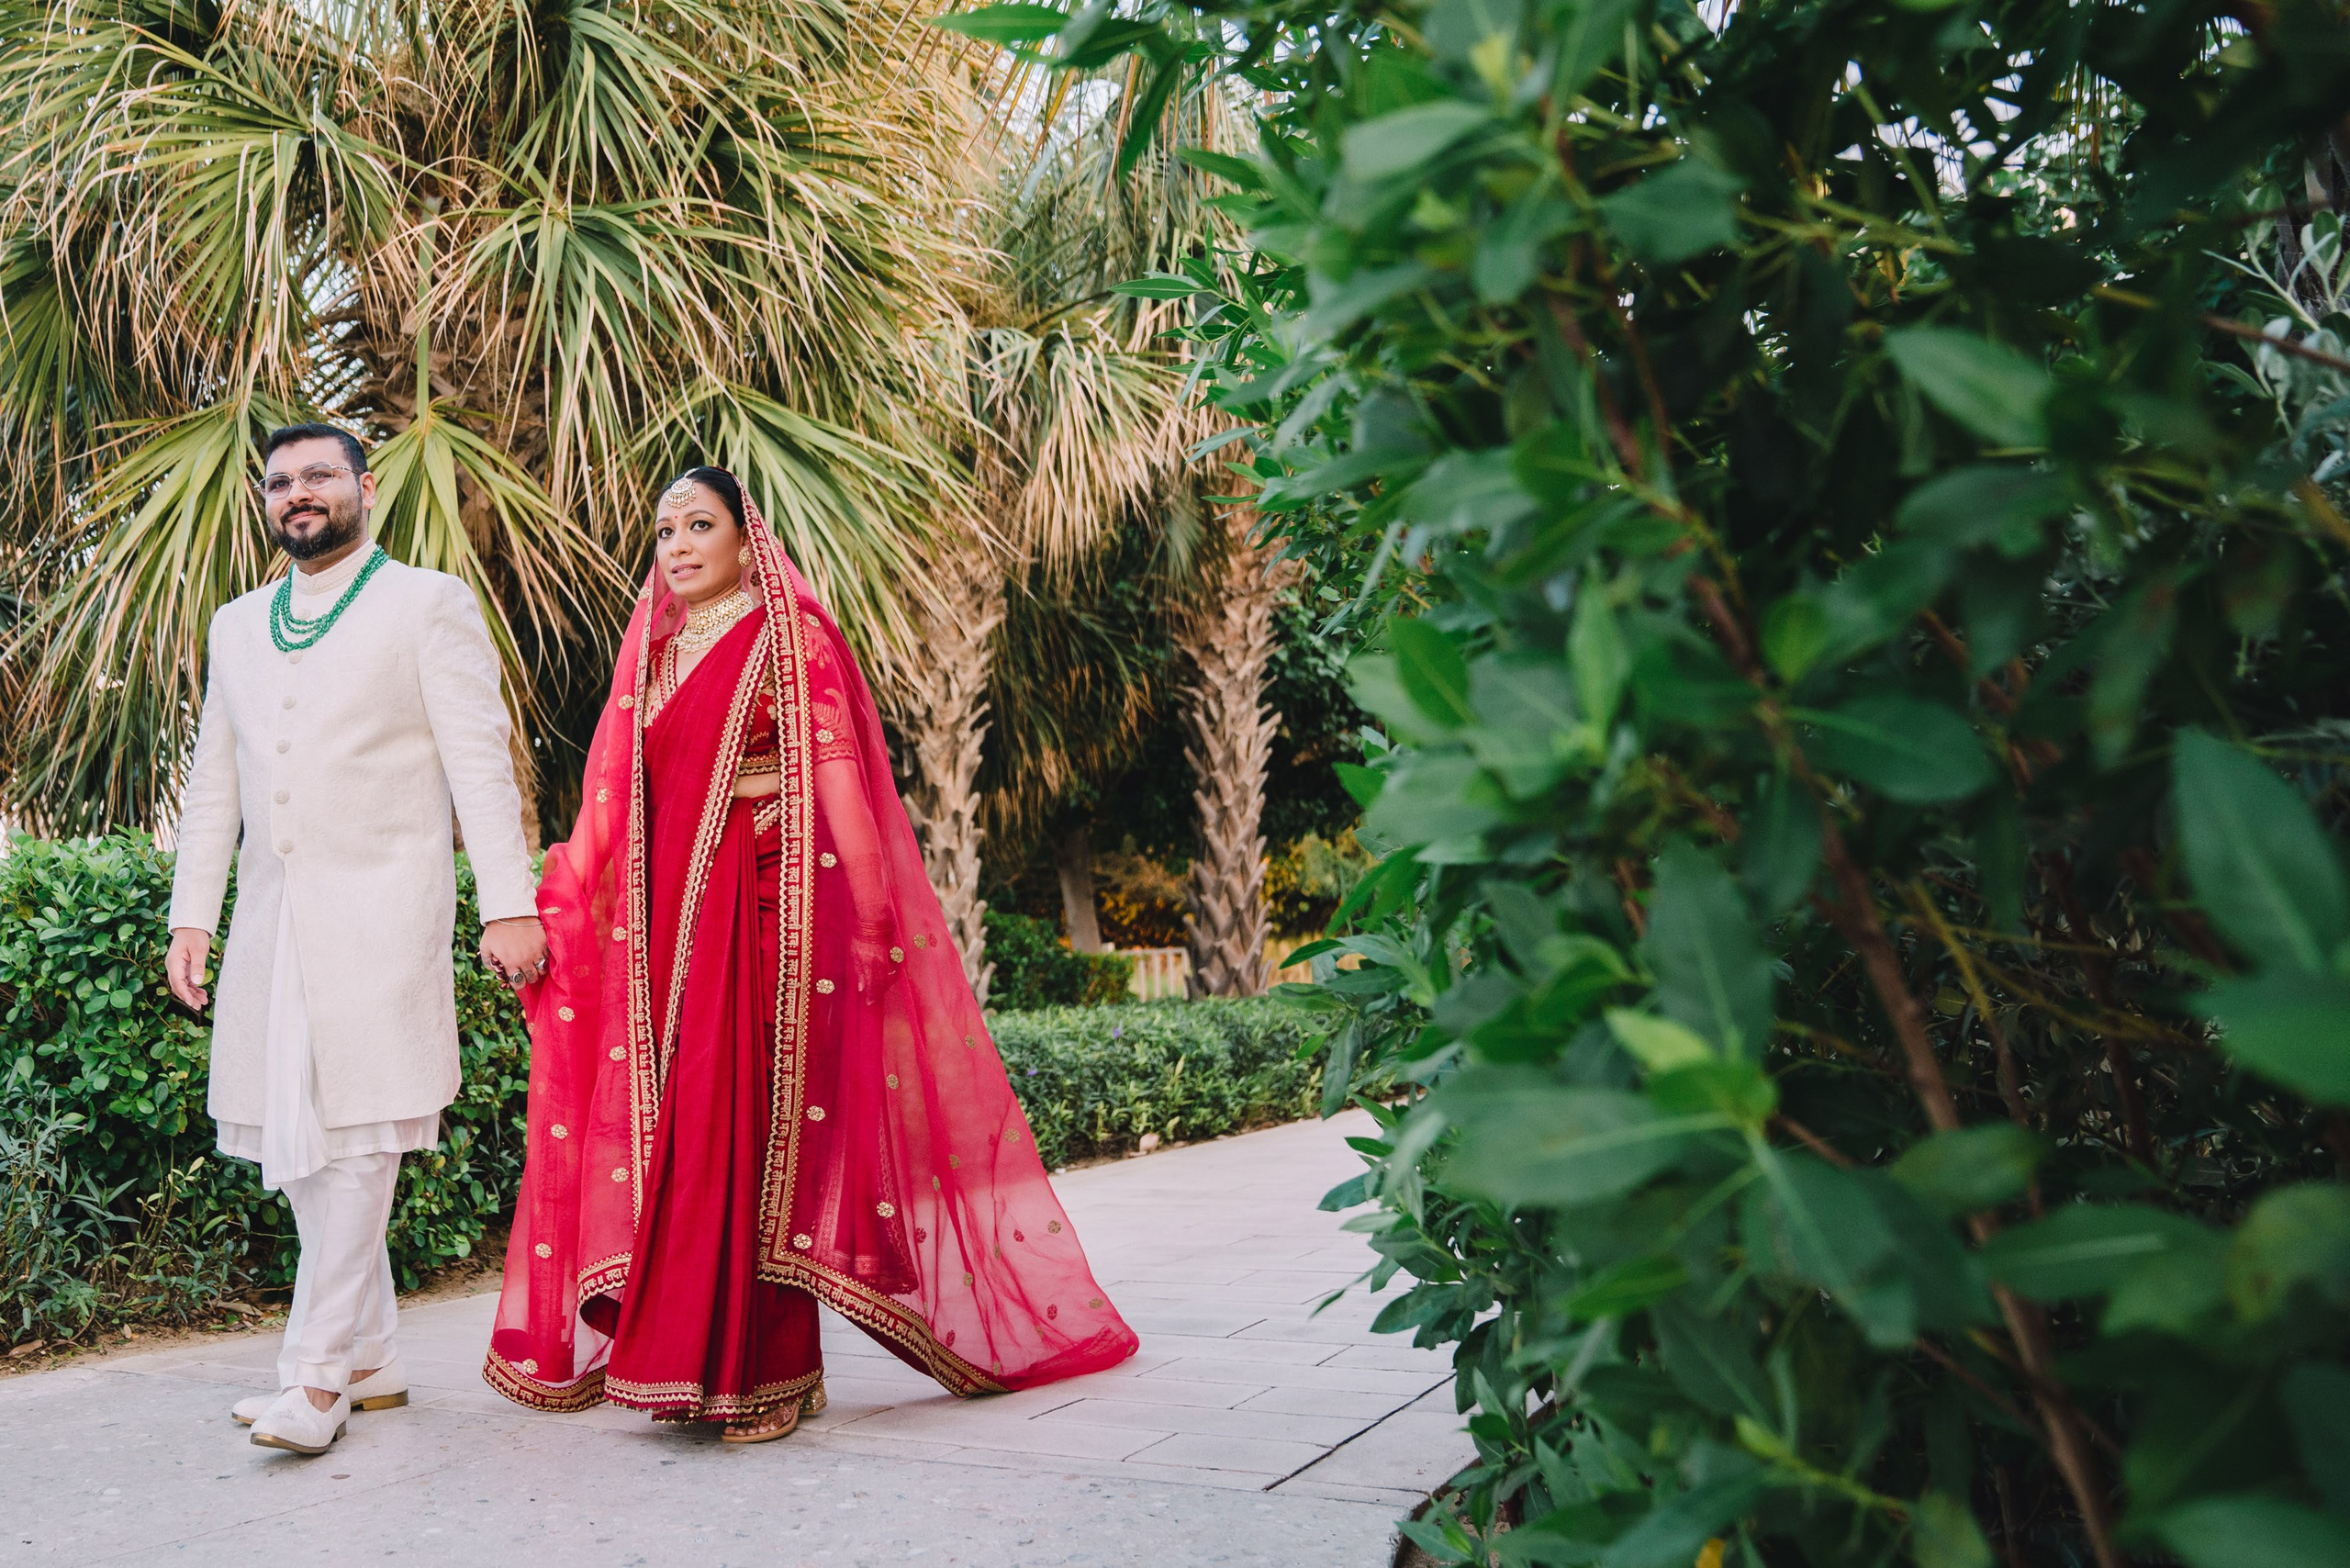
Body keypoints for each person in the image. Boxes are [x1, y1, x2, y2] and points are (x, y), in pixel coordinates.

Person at [483, 468, 1136, 1441]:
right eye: (664, 532)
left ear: (748, 540)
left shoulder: (790, 638)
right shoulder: (655, 656)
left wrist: (869, 915)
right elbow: (615, 817)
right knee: (681, 1138)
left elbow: (838, 779)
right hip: (666, 935)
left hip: (763, 923)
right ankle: (685, 1360)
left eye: (699, 525)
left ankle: (769, 1371)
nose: (678, 546)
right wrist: (555, 907)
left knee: (743, 1131)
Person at [164, 424, 545, 1455]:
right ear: (267, 500)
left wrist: (508, 901)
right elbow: (215, 782)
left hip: (384, 912)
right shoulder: (238, 623)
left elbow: (481, 766)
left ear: (363, 488)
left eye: (320, 475)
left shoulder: (427, 604)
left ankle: (318, 1377)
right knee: (288, 1141)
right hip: (273, 920)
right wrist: (192, 911)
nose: (300, 493)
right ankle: (373, 1350)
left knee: (365, 1137)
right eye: (282, 480)